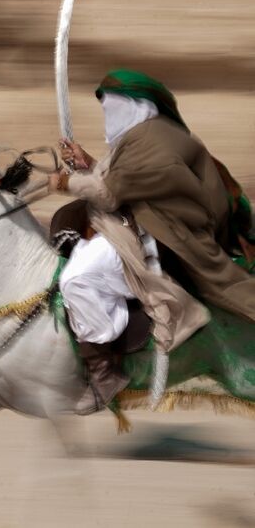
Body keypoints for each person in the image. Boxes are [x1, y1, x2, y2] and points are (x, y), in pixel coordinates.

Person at [47, 69, 255, 414]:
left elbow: (111, 194)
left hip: (162, 236)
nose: (108, 118)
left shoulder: (153, 141)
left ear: (135, 106)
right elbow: (127, 181)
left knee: (77, 278)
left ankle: (104, 371)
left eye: (113, 109)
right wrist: (88, 163)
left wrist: (65, 183)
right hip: (141, 222)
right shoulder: (149, 135)